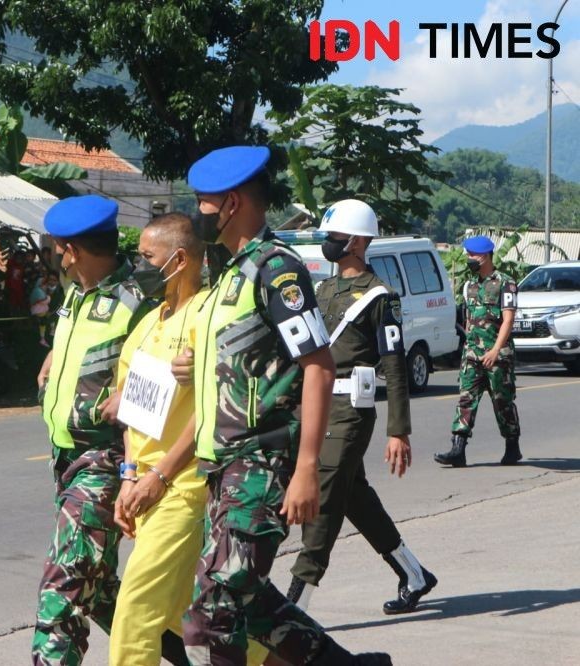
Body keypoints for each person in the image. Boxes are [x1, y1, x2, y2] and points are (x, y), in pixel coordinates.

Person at [176, 146, 390, 665]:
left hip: (260, 465)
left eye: (203, 203)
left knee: (213, 612)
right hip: (223, 468)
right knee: (249, 600)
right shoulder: (231, 274)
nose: (196, 213)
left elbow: (318, 364)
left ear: (231, 204)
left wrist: (306, 470)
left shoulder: (277, 271)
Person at [32, 195, 187, 666]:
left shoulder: (139, 300)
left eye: (61, 249)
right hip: (65, 459)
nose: (59, 257)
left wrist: (134, 392)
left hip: (105, 461)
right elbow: (80, 346)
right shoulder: (76, 292)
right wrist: (54, 358)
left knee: (60, 591)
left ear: (73, 250)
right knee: (99, 593)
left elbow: (172, 365)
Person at [285, 200, 436, 616]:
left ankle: (294, 610)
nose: (328, 245)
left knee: (326, 501)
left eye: (334, 238)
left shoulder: (379, 296)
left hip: (351, 410)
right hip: (317, 406)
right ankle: (414, 574)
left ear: (358, 241)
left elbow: (395, 364)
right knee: (354, 497)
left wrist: (398, 429)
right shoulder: (324, 290)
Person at [109, 213, 209, 666]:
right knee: (189, 616)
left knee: (134, 616)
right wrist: (129, 477)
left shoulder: (204, 317)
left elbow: (209, 412)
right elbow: (133, 413)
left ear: (180, 259)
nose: (139, 266)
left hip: (183, 489)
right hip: (145, 489)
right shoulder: (147, 324)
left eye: (147, 257)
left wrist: (160, 476)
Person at [435, 236, 521, 468]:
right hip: (472, 355)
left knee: (502, 402)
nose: (469, 259)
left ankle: (512, 446)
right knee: (466, 399)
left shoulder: (506, 283)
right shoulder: (469, 285)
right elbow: (468, 319)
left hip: (498, 356)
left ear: (484, 256)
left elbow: (508, 320)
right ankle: (458, 448)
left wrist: (495, 350)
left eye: (472, 255)